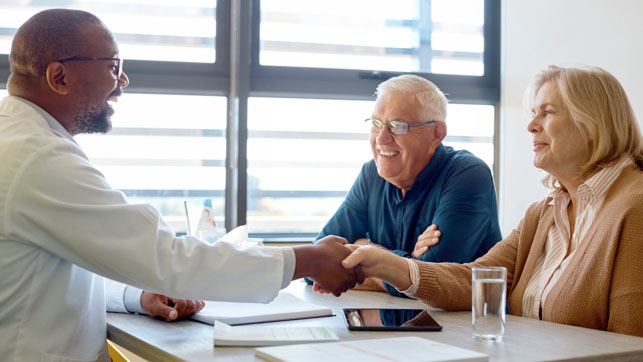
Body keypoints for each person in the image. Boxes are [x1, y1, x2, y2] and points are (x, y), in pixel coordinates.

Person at [0, 9, 362, 361]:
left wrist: (137, 295)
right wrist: (308, 259)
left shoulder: (25, 140)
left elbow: (67, 264)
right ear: (58, 77)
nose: (122, 82)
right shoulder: (37, 157)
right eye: (113, 67)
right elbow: (167, 257)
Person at [334, 65, 643, 337]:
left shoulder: (635, 206)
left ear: (593, 123)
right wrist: (382, 262)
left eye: (547, 112)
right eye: (533, 113)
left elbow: (632, 345)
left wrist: (381, 259)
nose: (531, 126)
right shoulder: (545, 212)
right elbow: (474, 280)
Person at [315, 74, 502, 296]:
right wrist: (405, 264)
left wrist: (372, 251)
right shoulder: (370, 175)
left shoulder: (468, 174)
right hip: (392, 324)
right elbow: (319, 263)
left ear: (436, 133)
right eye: (376, 124)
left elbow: (431, 282)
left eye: (398, 126)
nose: (381, 139)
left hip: (467, 327)